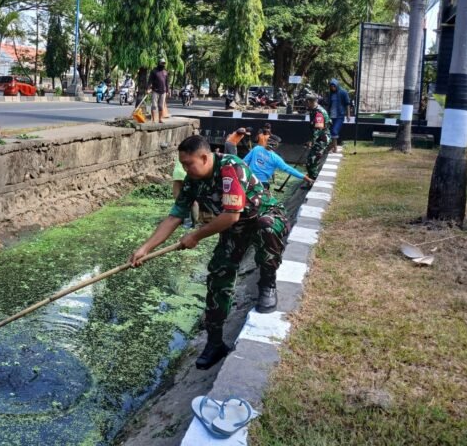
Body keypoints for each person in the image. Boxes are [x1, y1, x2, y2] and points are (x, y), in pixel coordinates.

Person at [129, 135, 290, 369]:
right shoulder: (193, 180)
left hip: (262, 217)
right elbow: (175, 216)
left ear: (204, 158)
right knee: (218, 275)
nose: (184, 169)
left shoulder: (230, 168)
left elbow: (231, 214)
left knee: (266, 228)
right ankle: (215, 343)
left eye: (188, 164)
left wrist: (195, 235)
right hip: (235, 228)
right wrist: (145, 248)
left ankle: (267, 282)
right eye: (182, 164)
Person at [243, 136, 314, 189]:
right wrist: (306, 178)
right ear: (276, 145)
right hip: (262, 184)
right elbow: (289, 169)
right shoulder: (276, 158)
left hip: (249, 181)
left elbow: (244, 162)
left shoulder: (256, 149)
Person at [305, 92, 331, 183]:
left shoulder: (318, 112)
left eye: (307, 101)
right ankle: (311, 181)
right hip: (318, 139)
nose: (306, 104)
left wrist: (311, 141)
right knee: (311, 161)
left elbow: (318, 129)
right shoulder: (314, 110)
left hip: (321, 139)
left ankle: (313, 181)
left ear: (310, 101)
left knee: (311, 161)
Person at [327, 79, 351, 153]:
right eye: (331, 86)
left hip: (340, 116)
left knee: (334, 131)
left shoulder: (343, 92)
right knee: (330, 132)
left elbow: (347, 104)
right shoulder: (331, 94)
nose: (332, 88)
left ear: (337, 85)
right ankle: (332, 148)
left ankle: (335, 148)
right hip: (331, 116)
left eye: (334, 86)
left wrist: (348, 115)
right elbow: (329, 105)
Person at [148, 58, 169, 123]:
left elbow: (167, 82)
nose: (163, 64)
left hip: (163, 92)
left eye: (164, 63)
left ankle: (160, 119)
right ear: (159, 63)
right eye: (162, 63)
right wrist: (148, 88)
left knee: (161, 106)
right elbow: (150, 81)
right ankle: (154, 120)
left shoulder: (165, 72)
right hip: (155, 91)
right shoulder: (154, 71)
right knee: (154, 106)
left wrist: (168, 91)